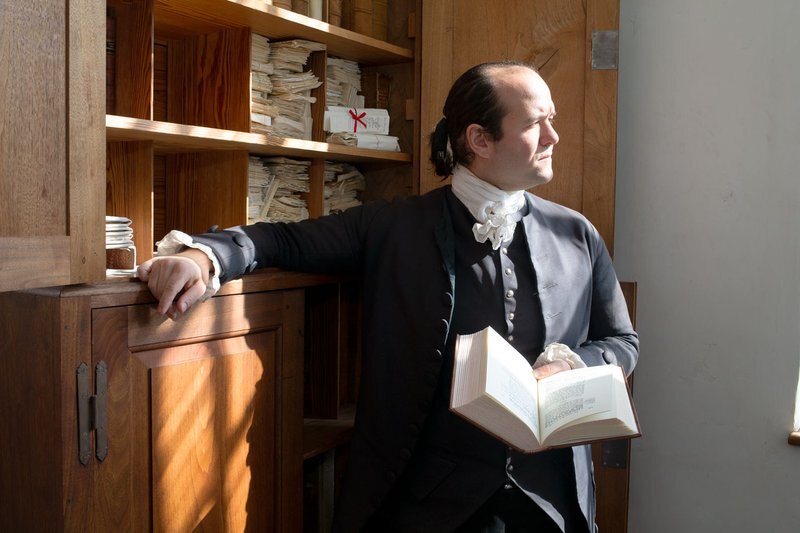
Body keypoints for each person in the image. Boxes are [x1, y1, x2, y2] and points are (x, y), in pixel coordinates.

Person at [138, 61, 638, 532]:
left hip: (554, 504)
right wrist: (202, 258)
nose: (553, 136)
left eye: (552, 120)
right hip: (426, 507)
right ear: (479, 139)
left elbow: (622, 342)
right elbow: (282, 240)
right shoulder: (392, 226)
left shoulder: (577, 233)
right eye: (534, 123)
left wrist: (568, 365)